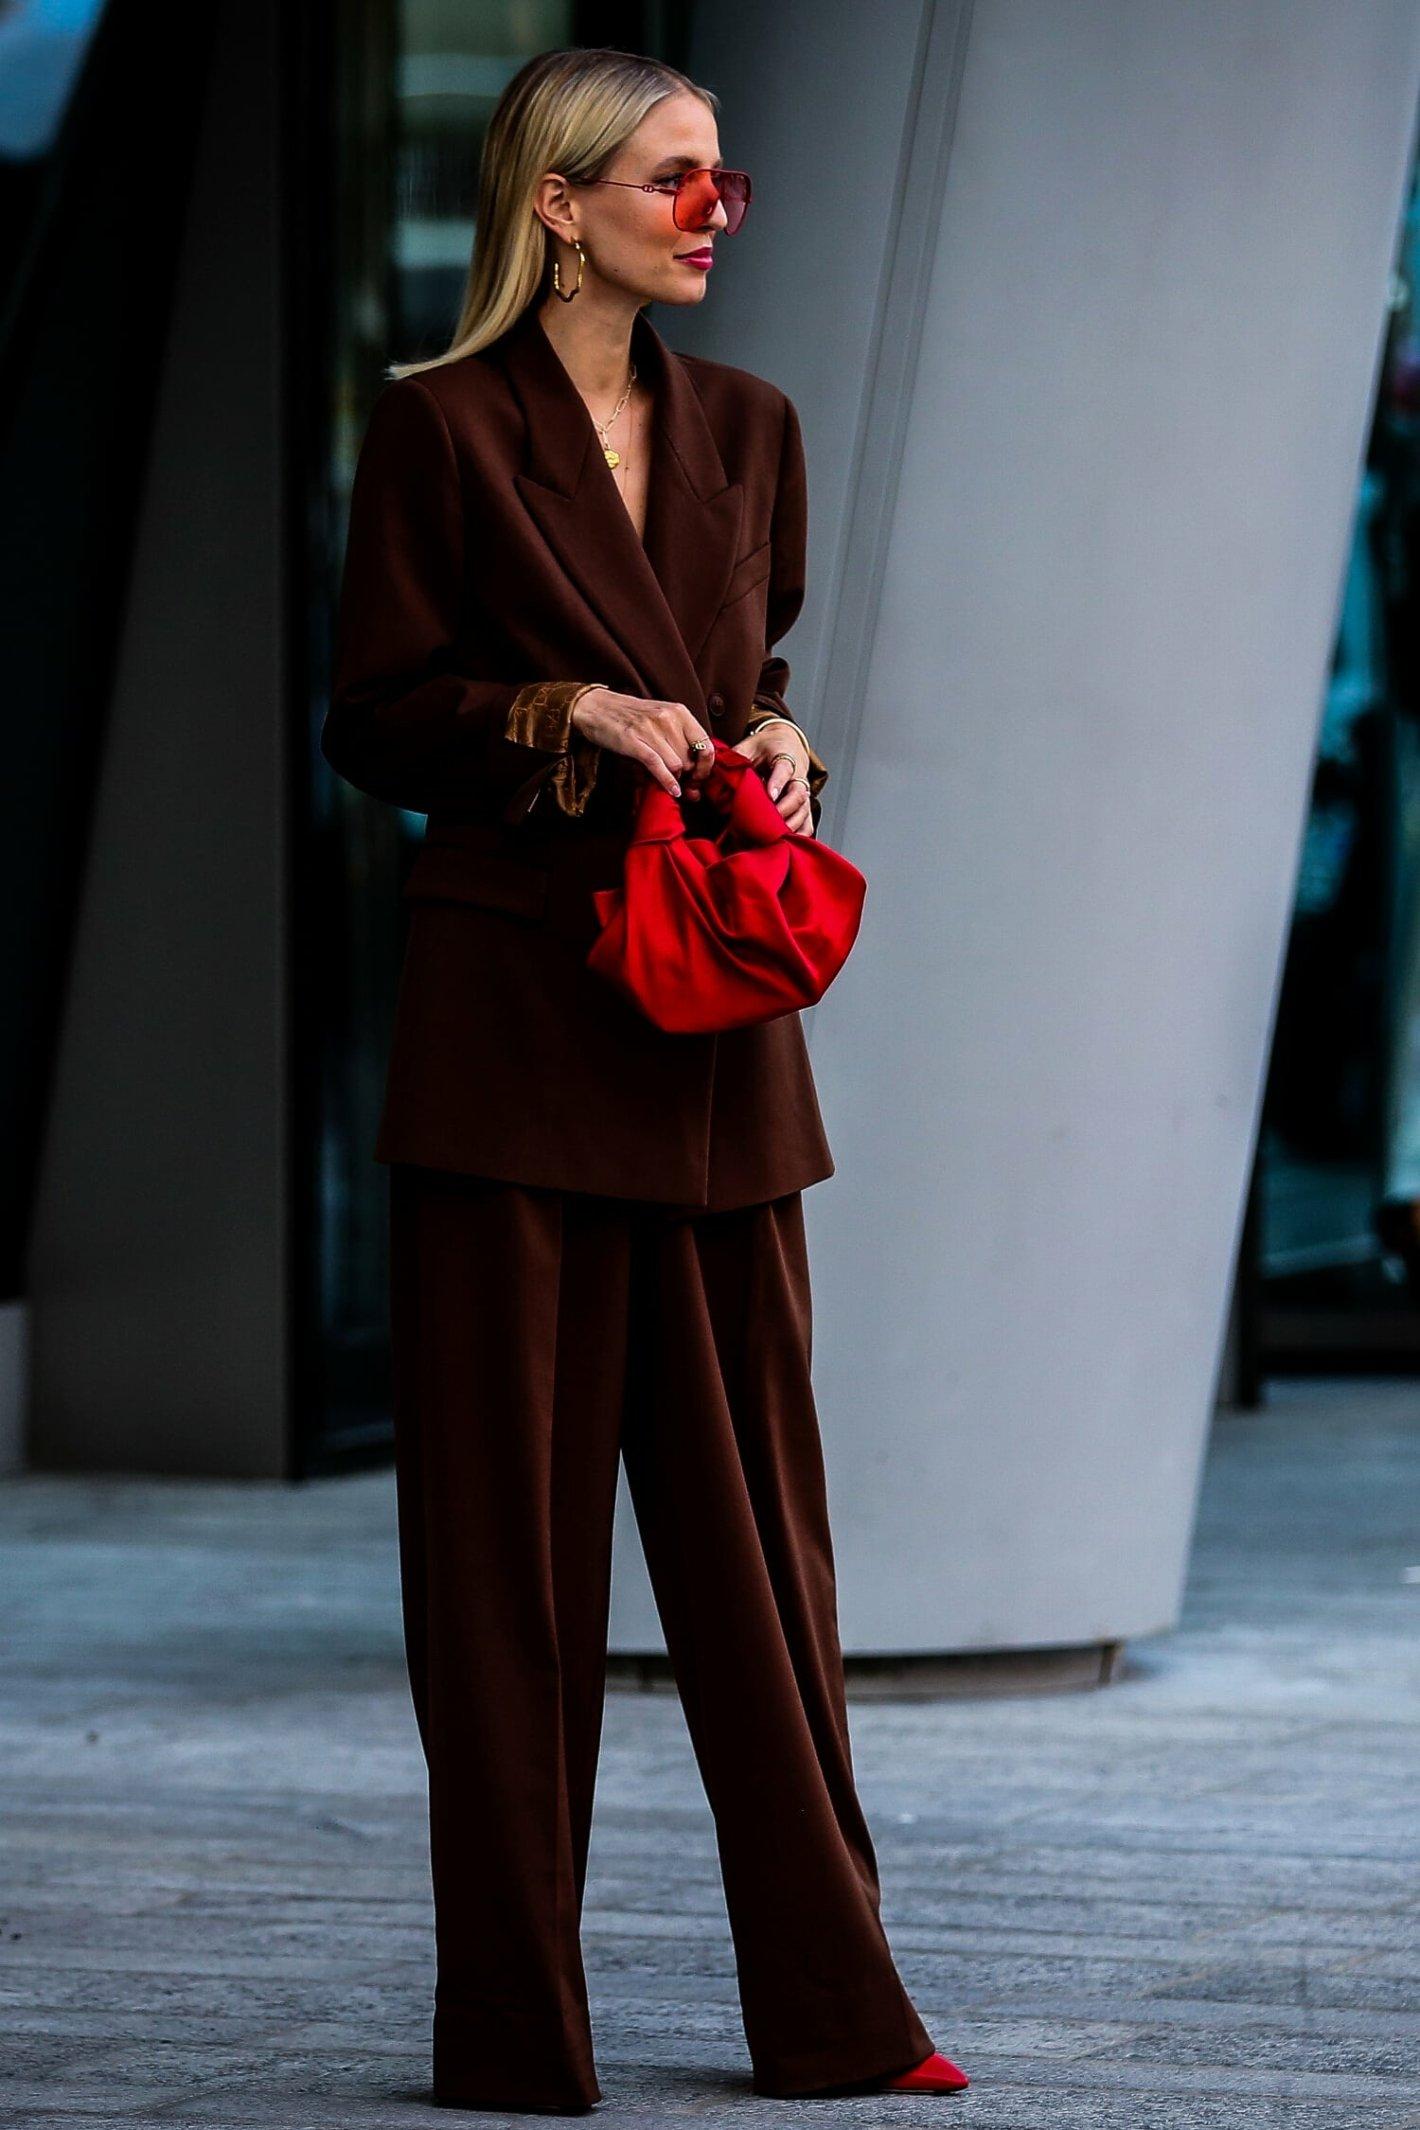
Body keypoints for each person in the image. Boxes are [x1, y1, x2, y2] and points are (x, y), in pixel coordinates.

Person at [323, 43, 969, 2115]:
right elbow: (379, 715)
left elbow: (747, 673)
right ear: (557, 204)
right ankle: (514, 2033)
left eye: (723, 181)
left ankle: (839, 2012)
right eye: (670, 180)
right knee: (501, 1571)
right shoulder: (433, 434)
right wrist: (547, 710)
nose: (709, 211)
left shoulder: (754, 432)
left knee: (764, 1558)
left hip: (705, 1055)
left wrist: (775, 742)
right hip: (510, 1040)